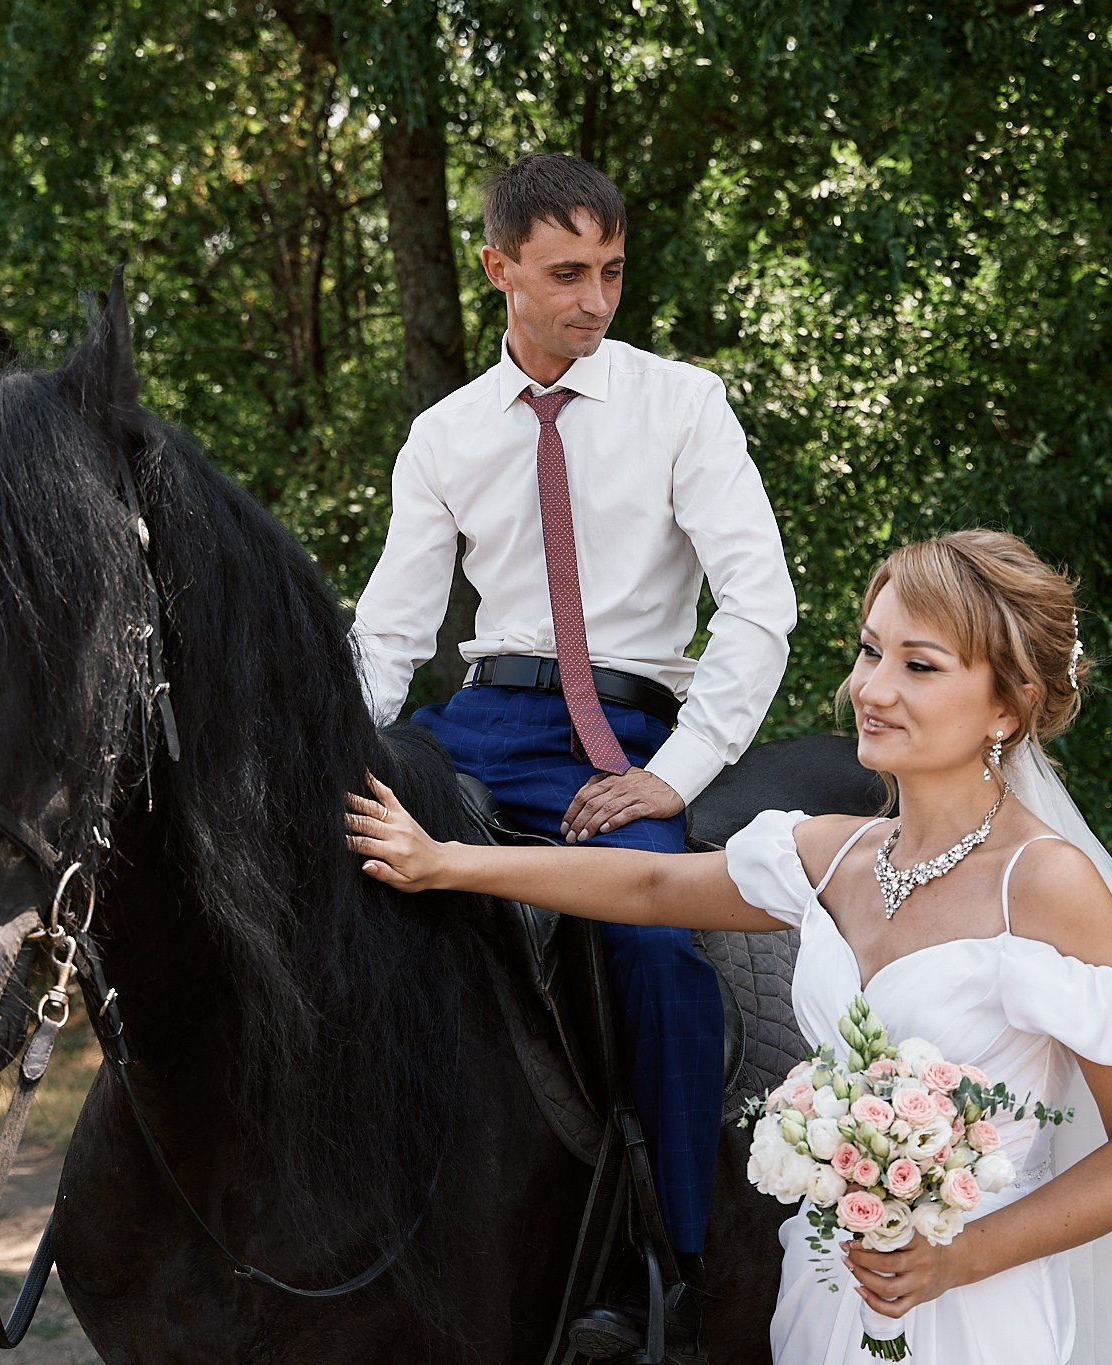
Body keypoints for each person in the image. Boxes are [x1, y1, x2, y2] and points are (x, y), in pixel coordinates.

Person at [346, 530, 1112, 1365]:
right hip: (825, 1300)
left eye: (918, 664)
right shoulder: (827, 853)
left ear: (1005, 708)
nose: (872, 688)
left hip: (979, 1314)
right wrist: (445, 864)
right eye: (867, 651)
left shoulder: (1048, 883)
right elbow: (647, 884)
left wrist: (957, 1259)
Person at [349, 153, 798, 1358]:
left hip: (629, 730)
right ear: (497, 268)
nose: (594, 299)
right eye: (564, 274)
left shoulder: (680, 405)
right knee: (344, 893)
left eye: (608, 271)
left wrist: (678, 775)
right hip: (480, 725)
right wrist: (339, 768)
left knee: (652, 945)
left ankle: (677, 1257)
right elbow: (390, 631)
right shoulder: (443, 435)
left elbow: (760, 605)